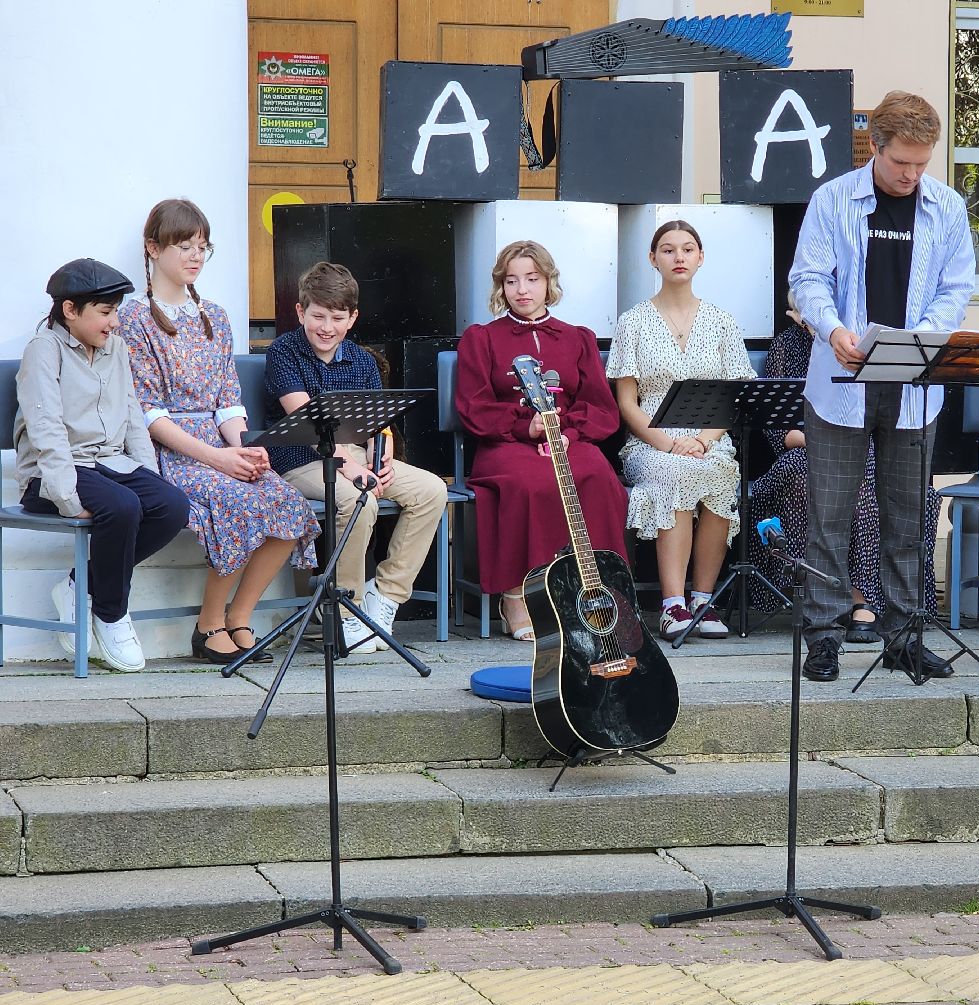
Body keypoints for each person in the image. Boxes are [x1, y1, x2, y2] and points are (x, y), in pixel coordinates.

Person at [790, 90, 976, 682]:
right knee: (830, 515)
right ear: (877, 146)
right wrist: (834, 328)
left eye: (923, 163)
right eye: (903, 163)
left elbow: (956, 290)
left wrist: (921, 336)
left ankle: (903, 634)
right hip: (842, 377)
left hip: (914, 382)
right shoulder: (832, 200)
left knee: (907, 515)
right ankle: (823, 635)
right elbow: (807, 278)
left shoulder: (946, 209)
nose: (913, 174)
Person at [120, 197, 318, 665]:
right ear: (153, 248)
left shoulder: (216, 316)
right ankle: (208, 624)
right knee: (240, 500)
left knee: (286, 502)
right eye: (184, 245)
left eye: (203, 247)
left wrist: (244, 450)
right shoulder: (134, 319)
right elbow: (149, 413)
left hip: (219, 446)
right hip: (172, 452)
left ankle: (240, 617)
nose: (195, 256)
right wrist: (217, 460)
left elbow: (228, 400)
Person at [264, 261, 448, 653]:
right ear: (300, 312)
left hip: (356, 457)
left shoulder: (362, 361)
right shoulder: (284, 352)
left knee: (432, 490)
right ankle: (345, 609)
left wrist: (381, 454)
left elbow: (375, 422)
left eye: (337, 317)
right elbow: (309, 422)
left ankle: (386, 595)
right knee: (358, 500)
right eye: (317, 316)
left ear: (352, 319)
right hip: (302, 458)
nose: (326, 327)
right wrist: (354, 470)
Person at [15, 258, 190, 671]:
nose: (113, 323)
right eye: (106, 313)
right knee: (123, 507)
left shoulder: (117, 349)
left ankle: (81, 584)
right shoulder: (44, 350)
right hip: (51, 474)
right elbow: (46, 429)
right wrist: (66, 496)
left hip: (109, 464)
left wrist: (148, 474)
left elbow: (131, 414)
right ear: (71, 310)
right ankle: (111, 613)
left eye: (115, 313)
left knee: (172, 507)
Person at [455, 240, 628, 641]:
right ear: (501, 287)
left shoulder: (577, 338)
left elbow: (602, 408)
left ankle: (596, 592)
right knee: (532, 484)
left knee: (599, 478)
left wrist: (567, 432)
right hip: (506, 443)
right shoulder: (482, 338)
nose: (523, 289)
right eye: (512, 281)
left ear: (549, 282)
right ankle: (517, 595)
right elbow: (473, 406)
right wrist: (524, 427)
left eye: (532, 279)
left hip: (569, 438)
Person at [748, 293, 942, 641]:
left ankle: (871, 599)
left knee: (874, 488)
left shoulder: (863, 347)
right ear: (796, 313)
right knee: (827, 486)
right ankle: (844, 603)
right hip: (802, 453)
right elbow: (782, 435)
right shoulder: (787, 346)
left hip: (865, 449)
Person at [608, 220, 755, 642]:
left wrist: (704, 440)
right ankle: (672, 604)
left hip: (709, 439)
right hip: (651, 441)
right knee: (675, 473)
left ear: (701, 258)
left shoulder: (722, 322)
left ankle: (703, 599)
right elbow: (626, 403)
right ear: (653, 259)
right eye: (668, 250)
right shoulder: (633, 321)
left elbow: (735, 396)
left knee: (720, 472)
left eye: (687, 249)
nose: (678, 257)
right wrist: (669, 443)